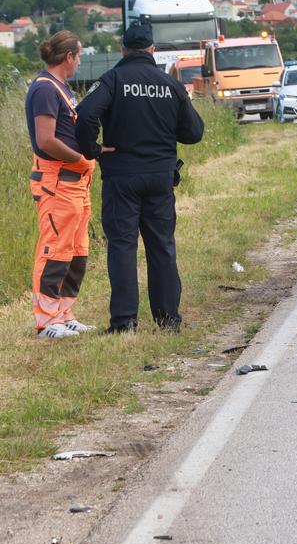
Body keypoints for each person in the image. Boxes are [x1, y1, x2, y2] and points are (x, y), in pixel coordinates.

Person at [75, 23, 205, 333]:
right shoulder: (170, 85)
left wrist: (93, 149)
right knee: (162, 246)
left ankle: (124, 323)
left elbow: (85, 115)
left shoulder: (112, 80)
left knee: (122, 247)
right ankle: (168, 320)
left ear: (123, 50)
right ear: (152, 50)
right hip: (160, 176)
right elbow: (194, 133)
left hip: (122, 176)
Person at [25, 31, 98, 339]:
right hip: (58, 181)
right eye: (78, 56)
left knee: (76, 251)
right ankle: (46, 321)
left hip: (76, 183)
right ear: (68, 56)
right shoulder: (45, 89)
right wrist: (79, 159)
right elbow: (46, 140)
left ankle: (64, 313)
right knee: (54, 251)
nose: (79, 62)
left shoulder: (61, 87)